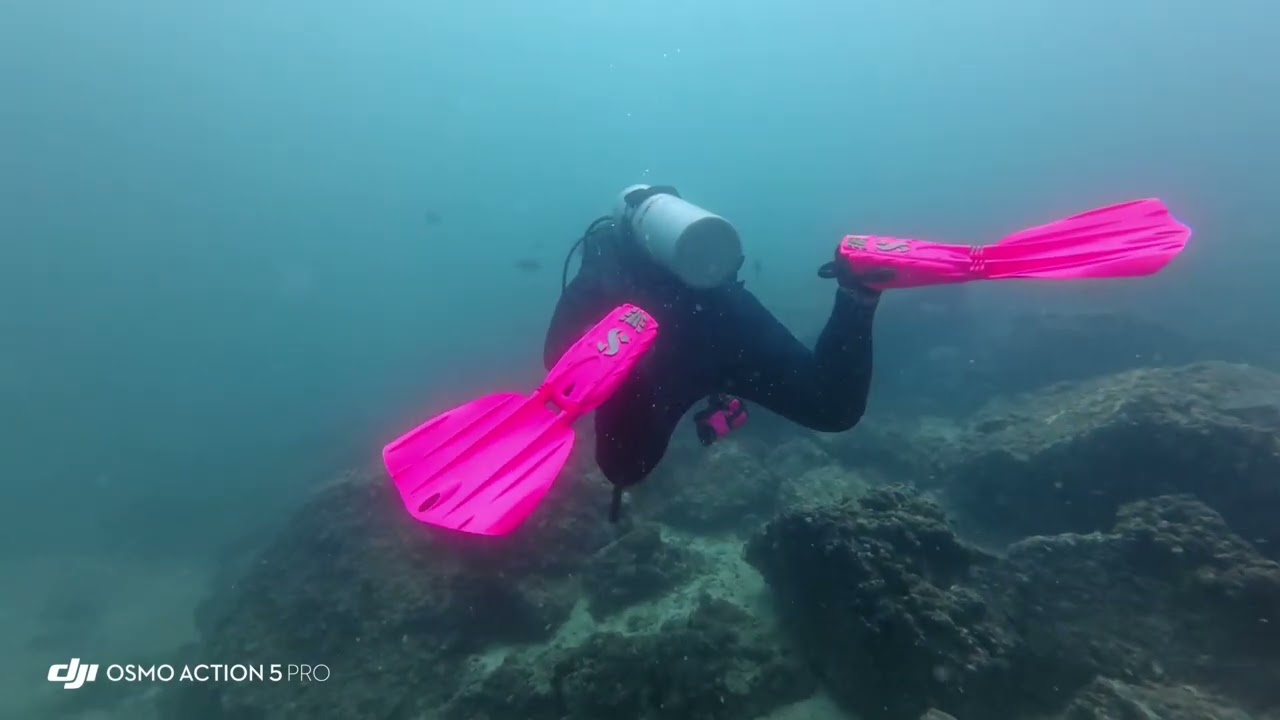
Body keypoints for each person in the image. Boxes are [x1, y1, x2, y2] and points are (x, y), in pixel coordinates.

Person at [545, 184, 885, 492]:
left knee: (623, 469)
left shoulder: (606, 253)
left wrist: (618, 374)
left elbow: (556, 357)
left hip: (656, 362)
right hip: (725, 322)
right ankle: (858, 290)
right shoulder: (694, 253)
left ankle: (633, 379)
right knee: (833, 407)